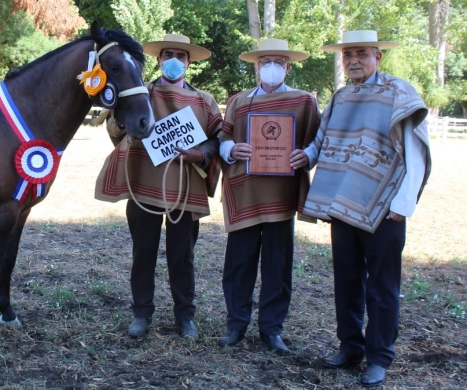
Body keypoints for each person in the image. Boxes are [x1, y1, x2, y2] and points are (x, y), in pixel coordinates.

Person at [304, 30, 431, 387]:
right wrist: (305, 157)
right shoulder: (341, 97)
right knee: (346, 280)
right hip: (344, 204)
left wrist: (403, 204)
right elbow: (322, 140)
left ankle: (379, 357)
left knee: (383, 285)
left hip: (384, 207)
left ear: (378, 56)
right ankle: (350, 347)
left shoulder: (398, 92)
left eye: (361, 53)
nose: (353, 60)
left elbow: (415, 151)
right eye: (348, 55)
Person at [95, 33, 223, 339]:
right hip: (143, 182)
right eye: (168, 55)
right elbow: (115, 128)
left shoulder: (205, 101)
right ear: (158, 60)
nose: (174, 61)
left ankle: (185, 316)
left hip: (184, 187)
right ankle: (142, 313)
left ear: (189, 62)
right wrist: (121, 122)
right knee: (143, 252)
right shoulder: (141, 91)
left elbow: (218, 140)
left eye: (181, 56)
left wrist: (201, 154)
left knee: (182, 255)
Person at [216, 39, 321, 355]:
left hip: (281, 198)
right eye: (265, 61)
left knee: (278, 265)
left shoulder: (303, 101)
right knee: (238, 263)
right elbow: (222, 138)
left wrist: (308, 155)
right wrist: (232, 150)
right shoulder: (238, 101)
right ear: (256, 66)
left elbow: (319, 139)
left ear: (288, 67)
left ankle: (272, 329)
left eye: (278, 61)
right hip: (244, 193)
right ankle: (236, 324)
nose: (271, 67)